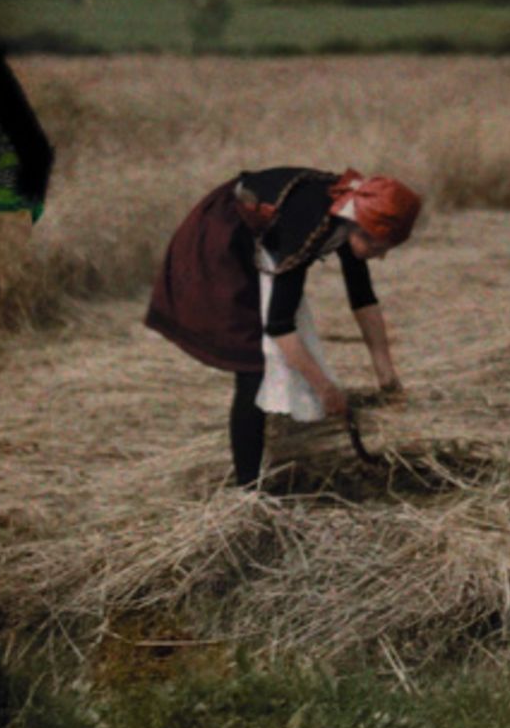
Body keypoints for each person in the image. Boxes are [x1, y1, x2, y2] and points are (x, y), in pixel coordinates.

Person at [145, 167, 421, 488]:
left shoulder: (351, 211)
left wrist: (386, 375)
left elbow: (362, 297)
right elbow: (280, 327)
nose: (382, 257)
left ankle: (263, 462)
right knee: (252, 362)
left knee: (268, 356)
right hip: (224, 237)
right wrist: (325, 389)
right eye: (378, 248)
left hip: (263, 238)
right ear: (359, 227)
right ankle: (248, 491)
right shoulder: (308, 228)